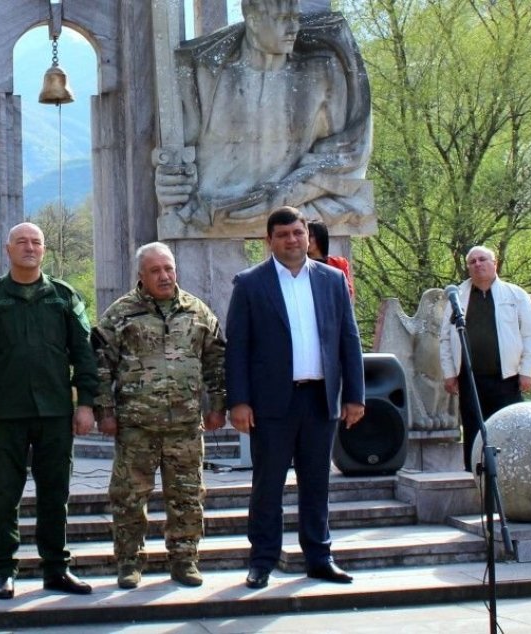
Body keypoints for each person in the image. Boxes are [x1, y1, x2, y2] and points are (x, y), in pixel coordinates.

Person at [225, 206, 365, 590]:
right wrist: (238, 401)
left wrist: (355, 395)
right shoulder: (250, 283)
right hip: (271, 403)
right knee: (267, 485)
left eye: (298, 233)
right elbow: (237, 347)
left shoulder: (332, 279)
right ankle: (262, 560)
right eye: (283, 234)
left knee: (317, 484)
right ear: (269, 240)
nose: (292, 240)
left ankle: (320, 557)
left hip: (320, 399)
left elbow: (348, 339)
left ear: (308, 236)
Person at [0, 222, 99, 600]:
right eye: (21, 242)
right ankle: (4, 569)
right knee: (5, 494)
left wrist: (86, 403)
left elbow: (84, 353)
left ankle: (57, 568)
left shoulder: (64, 296)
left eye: (36, 242)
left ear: (44, 250)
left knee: (56, 493)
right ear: (8, 250)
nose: (29, 247)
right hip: (5, 413)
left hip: (55, 412)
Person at [155, 0, 373, 237]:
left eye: (295, 18)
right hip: (212, 215)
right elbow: (177, 161)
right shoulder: (203, 75)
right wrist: (172, 182)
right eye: (282, 19)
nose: (293, 28)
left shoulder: (322, 72)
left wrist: (286, 193)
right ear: (253, 20)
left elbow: (344, 156)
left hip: (300, 209)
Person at [92, 242, 226, 589]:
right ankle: (129, 562)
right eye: (156, 271)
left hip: (185, 426)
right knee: (128, 498)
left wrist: (218, 405)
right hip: (136, 426)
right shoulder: (121, 314)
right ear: (141, 275)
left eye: (169, 269)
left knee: (187, 496)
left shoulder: (197, 311)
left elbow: (216, 361)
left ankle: (185, 560)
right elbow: (100, 366)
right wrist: (104, 411)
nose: (165, 276)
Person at [439, 246, 531, 472]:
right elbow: (445, 338)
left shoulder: (515, 295)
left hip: (506, 378)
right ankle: (474, 479)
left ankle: (509, 476)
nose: (477, 264)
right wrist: (449, 373)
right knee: (473, 432)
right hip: (470, 379)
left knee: (509, 431)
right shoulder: (457, 297)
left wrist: (527, 370)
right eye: (472, 261)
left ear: (494, 263)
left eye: (482, 259)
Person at [307, 220, 355, 299]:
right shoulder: (299, 265)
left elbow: (347, 292)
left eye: (310, 236)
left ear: (321, 237)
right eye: (305, 235)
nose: (307, 240)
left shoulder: (339, 263)